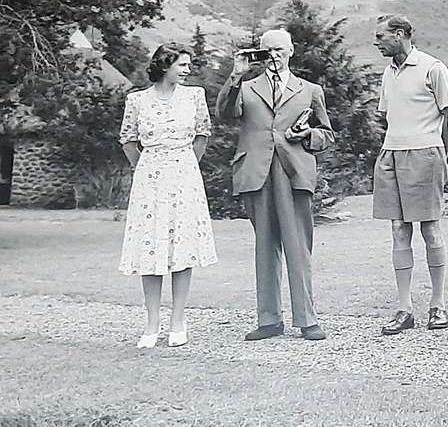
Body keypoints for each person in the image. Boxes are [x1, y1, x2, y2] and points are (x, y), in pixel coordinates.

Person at [216, 28, 335, 341]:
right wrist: (235, 75)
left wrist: (307, 135)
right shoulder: (245, 86)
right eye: (267, 50)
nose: (274, 55)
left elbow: (327, 135)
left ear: (291, 50)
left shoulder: (310, 90)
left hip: (294, 172)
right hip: (256, 171)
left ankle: (307, 319)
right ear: (260, 52)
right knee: (265, 247)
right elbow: (225, 114)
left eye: (280, 49)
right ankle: (269, 320)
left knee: (298, 247)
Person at [119, 43, 218, 348]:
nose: (188, 70)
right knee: (150, 248)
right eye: (182, 65)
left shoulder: (194, 96)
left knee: (181, 247)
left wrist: (185, 166)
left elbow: (202, 135)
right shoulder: (137, 100)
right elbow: (128, 140)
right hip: (150, 177)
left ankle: (178, 321)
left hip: (184, 174)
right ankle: (151, 324)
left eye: (189, 65)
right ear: (165, 65)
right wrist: (147, 169)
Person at [371, 13, 448, 335]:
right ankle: (404, 308)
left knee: (430, 229)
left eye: (381, 36)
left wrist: (442, 155)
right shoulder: (388, 72)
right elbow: (387, 117)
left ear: (401, 34)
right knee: (398, 229)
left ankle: (438, 305)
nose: (376, 41)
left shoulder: (433, 68)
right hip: (391, 153)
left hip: (426, 154)